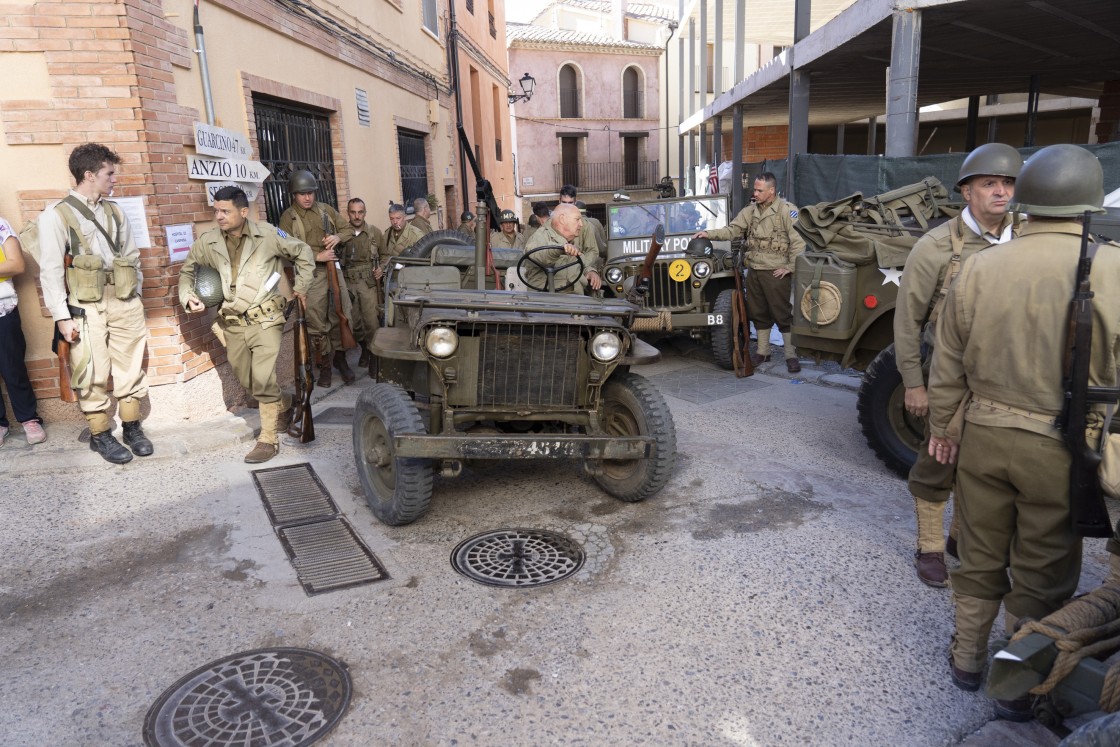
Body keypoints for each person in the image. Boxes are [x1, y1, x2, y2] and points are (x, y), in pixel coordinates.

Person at [926, 144, 1117, 721]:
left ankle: (966, 659)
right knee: (1043, 565)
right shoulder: (1112, 267)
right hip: (1064, 446)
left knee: (979, 552)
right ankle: (1014, 685)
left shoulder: (980, 266)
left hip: (981, 434)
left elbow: (947, 360)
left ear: (1027, 200)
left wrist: (943, 427)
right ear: (1088, 204)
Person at [895, 143, 1022, 588]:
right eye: (990, 183)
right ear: (967, 191)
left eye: (1008, 183)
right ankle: (930, 547)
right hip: (950, 377)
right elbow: (907, 320)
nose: (1001, 192)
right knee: (938, 460)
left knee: (984, 465)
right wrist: (913, 383)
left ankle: (958, 539)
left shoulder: (1025, 239)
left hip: (1009, 379)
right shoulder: (935, 247)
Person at [179, 186, 316, 464]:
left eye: (225, 211)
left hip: (266, 320)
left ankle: (268, 440)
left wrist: (301, 286)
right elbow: (188, 270)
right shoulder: (209, 241)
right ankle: (285, 403)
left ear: (243, 211)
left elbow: (302, 251)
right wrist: (189, 295)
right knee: (248, 380)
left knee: (264, 378)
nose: (218, 216)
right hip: (232, 323)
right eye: (215, 210)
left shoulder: (267, 234)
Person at [38, 142, 152, 464]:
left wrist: (136, 295)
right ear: (89, 175)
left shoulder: (115, 211)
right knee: (92, 370)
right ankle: (100, 434)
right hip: (86, 307)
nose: (113, 179)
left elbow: (132, 257)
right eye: (108, 173)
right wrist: (62, 317)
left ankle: (132, 427)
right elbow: (49, 272)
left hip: (124, 300)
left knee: (130, 367)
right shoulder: (56, 215)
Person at [695, 172, 805, 373]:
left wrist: (790, 268)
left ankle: (791, 355)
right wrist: (708, 234)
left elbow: (799, 242)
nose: (755, 193)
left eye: (759, 190)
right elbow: (732, 230)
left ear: (771, 191)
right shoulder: (750, 211)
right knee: (758, 313)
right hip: (754, 270)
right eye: (754, 189)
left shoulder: (788, 211)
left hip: (776, 272)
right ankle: (763, 351)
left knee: (782, 314)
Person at [278, 170, 356, 388]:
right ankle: (324, 367)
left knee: (341, 313)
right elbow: (283, 248)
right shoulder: (288, 218)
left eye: (310, 192)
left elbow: (347, 228)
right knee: (316, 322)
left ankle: (340, 359)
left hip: (333, 271)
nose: (307, 197)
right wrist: (316, 255)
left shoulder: (326, 210)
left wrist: (337, 237)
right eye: (302, 193)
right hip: (310, 275)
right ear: (294, 195)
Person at [0, 217, 46, 448]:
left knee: (12, 367)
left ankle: (29, 419)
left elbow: (17, 265)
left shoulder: (0, 225)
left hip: (2, 309)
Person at [339, 198, 384, 377]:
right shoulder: (341, 235)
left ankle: (374, 357)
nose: (357, 216)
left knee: (372, 322)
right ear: (348, 213)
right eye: (353, 212)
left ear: (365, 213)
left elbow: (386, 255)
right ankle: (364, 348)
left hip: (368, 284)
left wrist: (382, 267)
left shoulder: (375, 233)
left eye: (360, 212)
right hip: (348, 283)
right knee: (353, 323)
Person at [521, 203, 601, 294]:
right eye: (577, 219)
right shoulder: (540, 236)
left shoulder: (571, 240)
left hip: (574, 297)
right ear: (562, 219)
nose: (581, 224)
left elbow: (574, 263)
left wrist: (590, 271)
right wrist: (559, 249)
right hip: (546, 299)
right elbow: (536, 254)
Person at [378, 204, 425, 285]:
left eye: (398, 218)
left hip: (410, 280)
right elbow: (383, 255)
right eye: (392, 219)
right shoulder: (387, 234)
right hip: (391, 279)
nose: (395, 222)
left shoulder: (416, 235)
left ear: (405, 217)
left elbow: (423, 260)